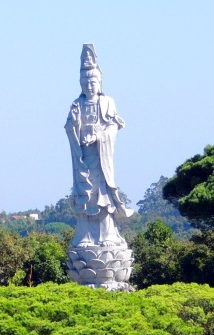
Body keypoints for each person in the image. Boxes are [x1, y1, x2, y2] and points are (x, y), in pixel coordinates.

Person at [65, 44, 132, 249]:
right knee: (87, 196)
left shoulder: (107, 102)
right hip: (84, 158)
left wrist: (99, 135)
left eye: (93, 81)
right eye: (85, 81)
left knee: (102, 196)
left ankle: (107, 236)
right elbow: (69, 128)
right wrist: (75, 125)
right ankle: (85, 236)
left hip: (101, 156)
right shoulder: (77, 104)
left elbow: (114, 126)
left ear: (99, 82)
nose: (89, 85)